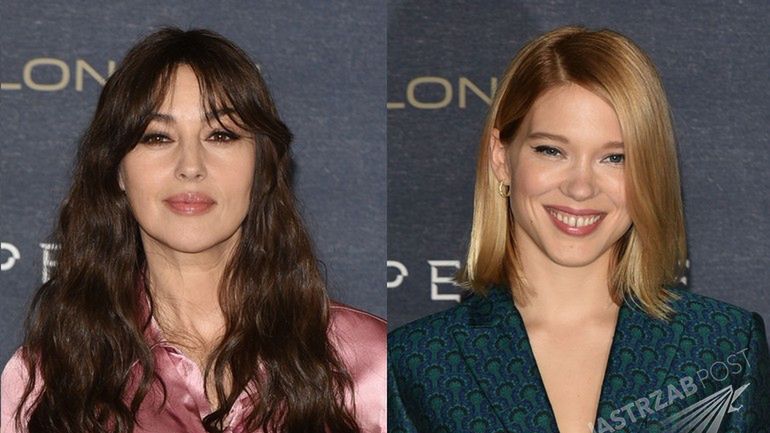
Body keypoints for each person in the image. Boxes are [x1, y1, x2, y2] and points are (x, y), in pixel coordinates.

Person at [1, 28, 386, 433]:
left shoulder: (369, 365)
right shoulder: (46, 381)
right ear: (117, 169)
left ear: (261, 165)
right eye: (157, 137)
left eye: (220, 134)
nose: (190, 166)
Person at [388, 26, 769, 433]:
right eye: (552, 151)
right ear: (501, 158)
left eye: (615, 158)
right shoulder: (421, 361)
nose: (581, 187)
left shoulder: (723, 345)